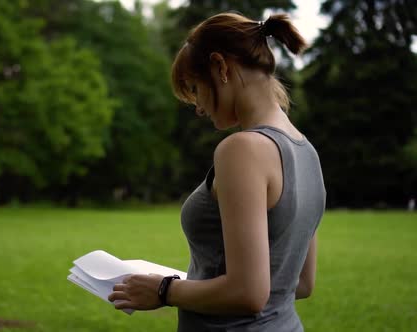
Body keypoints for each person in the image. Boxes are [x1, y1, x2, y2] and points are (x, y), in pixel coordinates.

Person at [108, 12, 326, 331]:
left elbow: (248, 293)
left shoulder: (242, 149)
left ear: (220, 67)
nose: (198, 107)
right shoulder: (307, 152)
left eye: (196, 88)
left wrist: (163, 290)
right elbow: (302, 283)